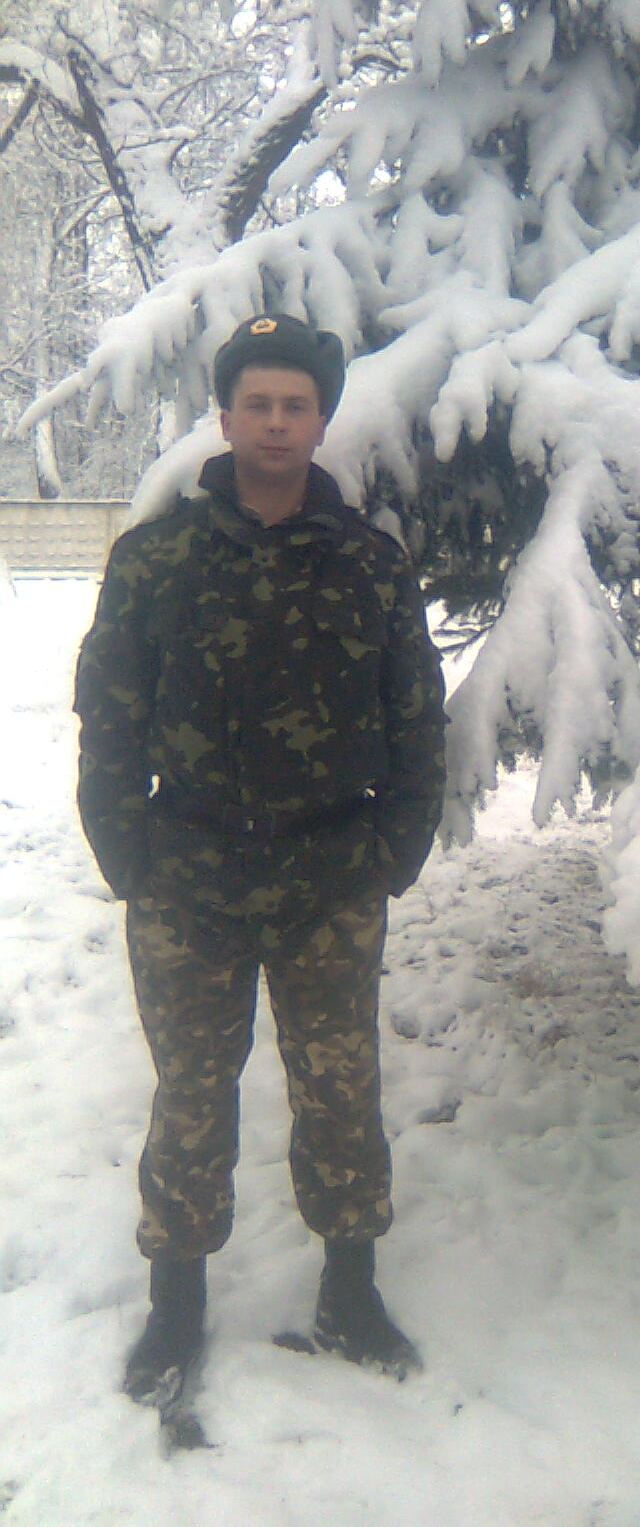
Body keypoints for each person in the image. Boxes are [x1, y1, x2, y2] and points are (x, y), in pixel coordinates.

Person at [74, 314, 446, 1409]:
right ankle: (176, 1304)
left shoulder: (369, 562)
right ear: (226, 417)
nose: (276, 423)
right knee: (191, 1090)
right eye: (257, 404)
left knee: (340, 1088)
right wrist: (127, 851)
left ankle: (351, 1294)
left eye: (296, 405)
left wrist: (393, 850)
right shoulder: (156, 559)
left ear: (320, 421)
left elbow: (415, 716)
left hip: (330, 875)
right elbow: (109, 714)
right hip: (189, 875)